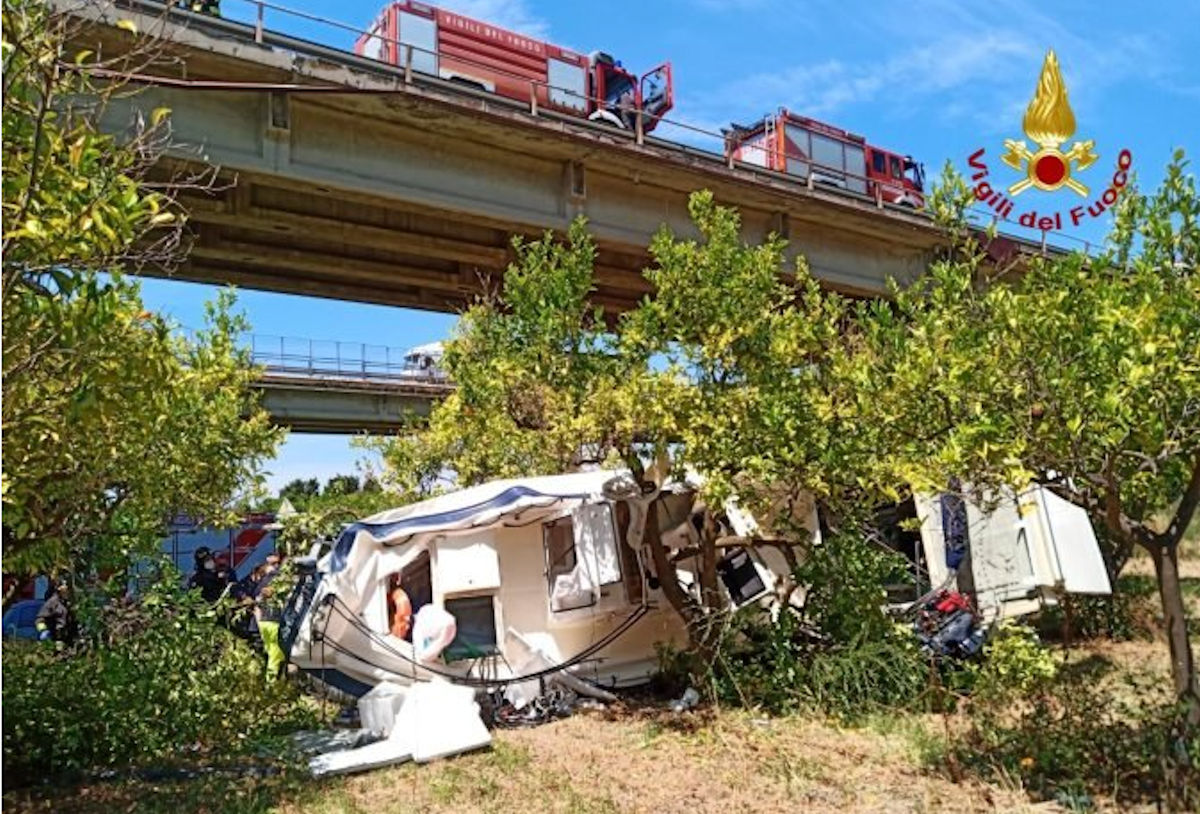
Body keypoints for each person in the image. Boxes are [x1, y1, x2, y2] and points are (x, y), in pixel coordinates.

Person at [35, 581, 76, 648]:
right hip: (55, 637)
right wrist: (44, 630)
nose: (66, 593)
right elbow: (40, 619)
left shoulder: (67, 603)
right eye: (63, 591)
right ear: (59, 591)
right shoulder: (52, 602)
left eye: (66, 590)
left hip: (67, 637)